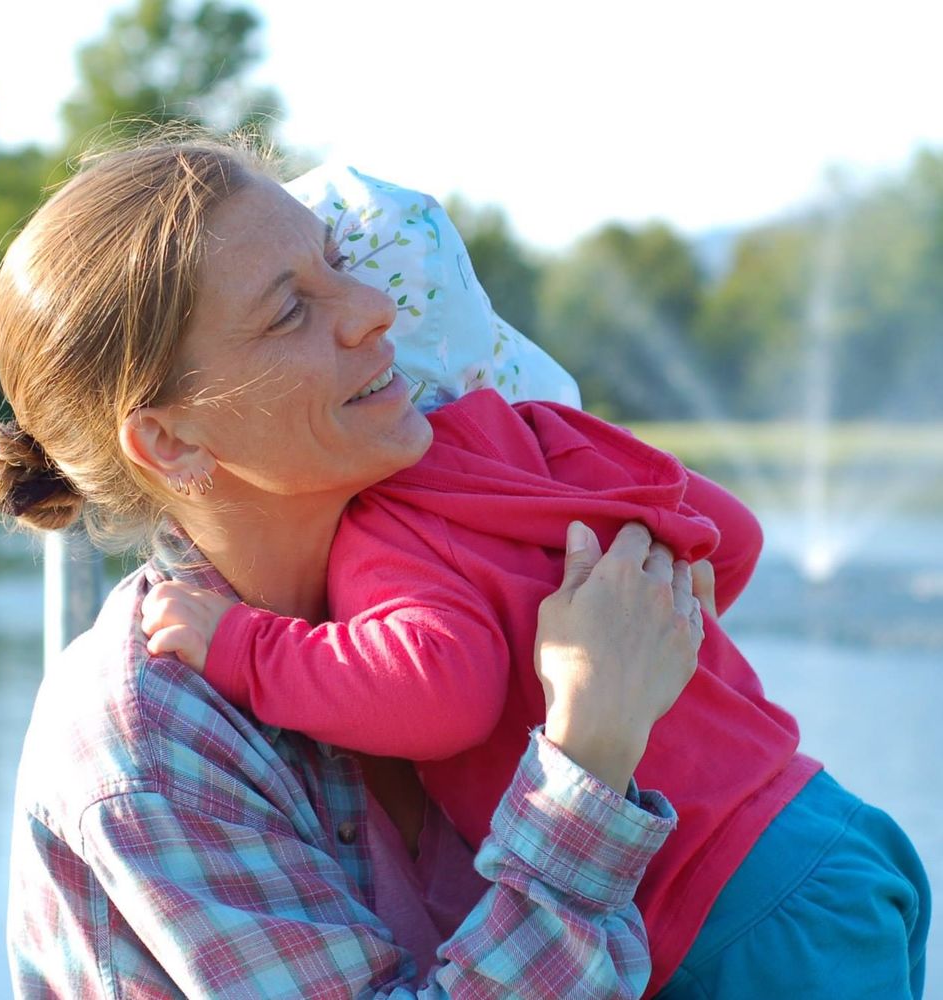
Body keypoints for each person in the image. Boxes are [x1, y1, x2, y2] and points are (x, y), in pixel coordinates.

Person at [141, 168, 933, 997]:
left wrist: (244, 646)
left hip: (727, 905)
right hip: (823, 825)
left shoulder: (390, 515)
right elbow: (730, 537)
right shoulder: (552, 435)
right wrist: (659, 634)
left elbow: (441, 696)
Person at [0, 135, 703, 999]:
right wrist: (590, 757)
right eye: (291, 312)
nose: (373, 307)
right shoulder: (147, 747)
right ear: (170, 440)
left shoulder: (464, 589)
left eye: (337, 263)